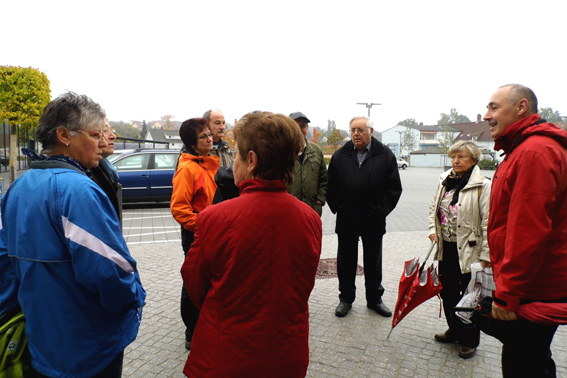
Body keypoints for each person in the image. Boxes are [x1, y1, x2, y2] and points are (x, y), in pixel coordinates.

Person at [0, 92, 146, 378]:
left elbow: (6, 260)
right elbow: (109, 272)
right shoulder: (78, 190)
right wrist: (135, 298)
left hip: (42, 335)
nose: (101, 141)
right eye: (95, 134)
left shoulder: (19, 185)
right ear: (64, 135)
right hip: (85, 342)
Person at [181, 111, 321, 377]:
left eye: (237, 155)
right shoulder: (310, 218)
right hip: (286, 355)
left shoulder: (213, 218)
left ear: (252, 160)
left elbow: (195, 287)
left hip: (226, 354)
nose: (233, 162)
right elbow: (303, 284)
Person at [483, 84, 567, 377]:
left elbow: (528, 232)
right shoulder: (524, 149)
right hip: (534, 286)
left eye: (494, 107)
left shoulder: (534, 152)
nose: (485, 115)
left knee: (523, 366)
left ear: (520, 107)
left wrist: (507, 295)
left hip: (533, 290)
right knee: (535, 361)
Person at [327, 116, 402, 318]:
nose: (355, 134)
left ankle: (374, 300)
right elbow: (330, 185)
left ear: (371, 131)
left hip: (373, 218)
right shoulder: (341, 155)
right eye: (352, 130)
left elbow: (394, 188)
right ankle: (345, 299)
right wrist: (339, 208)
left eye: (360, 129)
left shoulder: (384, 155)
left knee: (373, 260)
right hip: (347, 218)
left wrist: (379, 210)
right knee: (346, 260)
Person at [428, 140, 491, 359]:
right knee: (447, 292)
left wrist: (486, 256)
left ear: (474, 160)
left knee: (469, 296)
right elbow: (433, 209)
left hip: (470, 251)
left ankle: (469, 339)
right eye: (453, 156)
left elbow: (488, 223)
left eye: (461, 157)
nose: (455, 161)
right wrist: (432, 229)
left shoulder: (483, 185)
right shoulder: (445, 181)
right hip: (446, 247)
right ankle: (454, 330)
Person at [170, 118, 219, 350]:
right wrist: (204, 224)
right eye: (204, 136)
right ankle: (192, 329)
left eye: (210, 134)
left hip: (212, 231)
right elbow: (179, 208)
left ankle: (205, 325)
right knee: (192, 282)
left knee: (209, 280)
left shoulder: (207, 163)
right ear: (192, 143)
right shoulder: (187, 168)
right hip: (197, 233)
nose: (210, 138)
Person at [287, 112, 328, 216]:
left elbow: (324, 179)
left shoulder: (316, 150)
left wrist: (320, 201)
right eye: (294, 126)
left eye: (302, 126)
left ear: (307, 128)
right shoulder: (281, 152)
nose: (299, 130)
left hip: (312, 211)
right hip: (288, 211)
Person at [91, 121, 122, 225]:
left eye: (111, 130)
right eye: (103, 131)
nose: (113, 136)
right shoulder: (89, 175)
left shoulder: (106, 171)